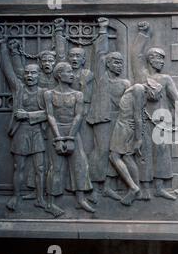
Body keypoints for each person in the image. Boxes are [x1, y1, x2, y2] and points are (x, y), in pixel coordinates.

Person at [131, 22, 178, 200]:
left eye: (163, 59)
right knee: (144, 153)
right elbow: (135, 55)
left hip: (162, 122)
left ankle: (159, 187)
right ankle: (145, 189)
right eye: (158, 59)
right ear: (150, 60)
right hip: (144, 122)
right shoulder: (142, 75)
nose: (161, 62)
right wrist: (143, 33)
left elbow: (176, 99)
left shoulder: (166, 79)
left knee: (162, 153)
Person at [0, 37, 48, 211]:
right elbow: (8, 70)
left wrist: (27, 114)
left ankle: (40, 198)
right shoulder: (19, 89)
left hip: (38, 133)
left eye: (34, 73)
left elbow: (49, 115)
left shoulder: (44, 93)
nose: (30, 76)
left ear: (39, 75)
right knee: (19, 166)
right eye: (27, 73)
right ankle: (15, 196)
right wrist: (4, 47)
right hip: (21, 132)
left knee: (40, 168)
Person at [86, 17, 130, 202]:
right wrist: (103, 30)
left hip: (118, 121)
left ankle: (108, 186)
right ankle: (95, 188)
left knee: (115, 153)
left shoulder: (125, 83)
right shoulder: (101, 78)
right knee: (101, 151)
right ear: (108, 64)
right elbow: (99, 54)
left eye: (121, 62)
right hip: (102, 119)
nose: (119, 65)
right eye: (116, 62)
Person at [44, 62, 95, 216]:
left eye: (72, 71)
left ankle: (80, 199)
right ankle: (51, 203)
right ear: (59, 75)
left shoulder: (77, 94)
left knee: (80, 163)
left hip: (73, 131)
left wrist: (71, 137)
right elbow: (50, 115)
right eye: (68, 72)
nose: (72, 74)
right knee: (56, 167)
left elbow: (78, 115)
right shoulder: (49, 94)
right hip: (55, 131)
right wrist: (59, 138)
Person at [109, 82, 146, 206]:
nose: (156, 97)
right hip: (124, 125)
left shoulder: (138, 89)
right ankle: (138, 191)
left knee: (114, 156)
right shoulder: (137, 88)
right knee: (127, 157)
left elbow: (137, 115)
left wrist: (138, 139)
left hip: (124, 127)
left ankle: (133, 187)